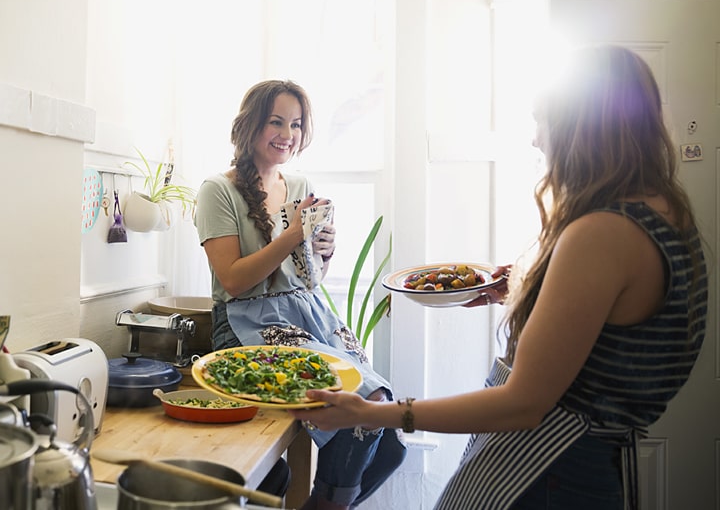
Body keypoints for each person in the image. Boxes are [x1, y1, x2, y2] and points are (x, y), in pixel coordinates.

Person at [291, 45, 709, 509]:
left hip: (550, 473)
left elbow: (523, 404)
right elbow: (614, 338)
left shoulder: (601, 232)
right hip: (595, 466)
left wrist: (375, 413)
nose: (536, 139)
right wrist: (531, 294)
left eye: (541, 120)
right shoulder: (665, 213)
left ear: (579, 125)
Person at [194, 79, 406, 510]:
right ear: (250, 125)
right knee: (358, 409)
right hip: (247, 323)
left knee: (388, 436)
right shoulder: (218, 189)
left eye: (295, 124)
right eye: (276, 122)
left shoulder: (299, 184)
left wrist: (324, 252)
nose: (287, 134)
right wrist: (292, 237)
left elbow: (307, 278)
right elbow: (234, 281)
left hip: (307, 313)